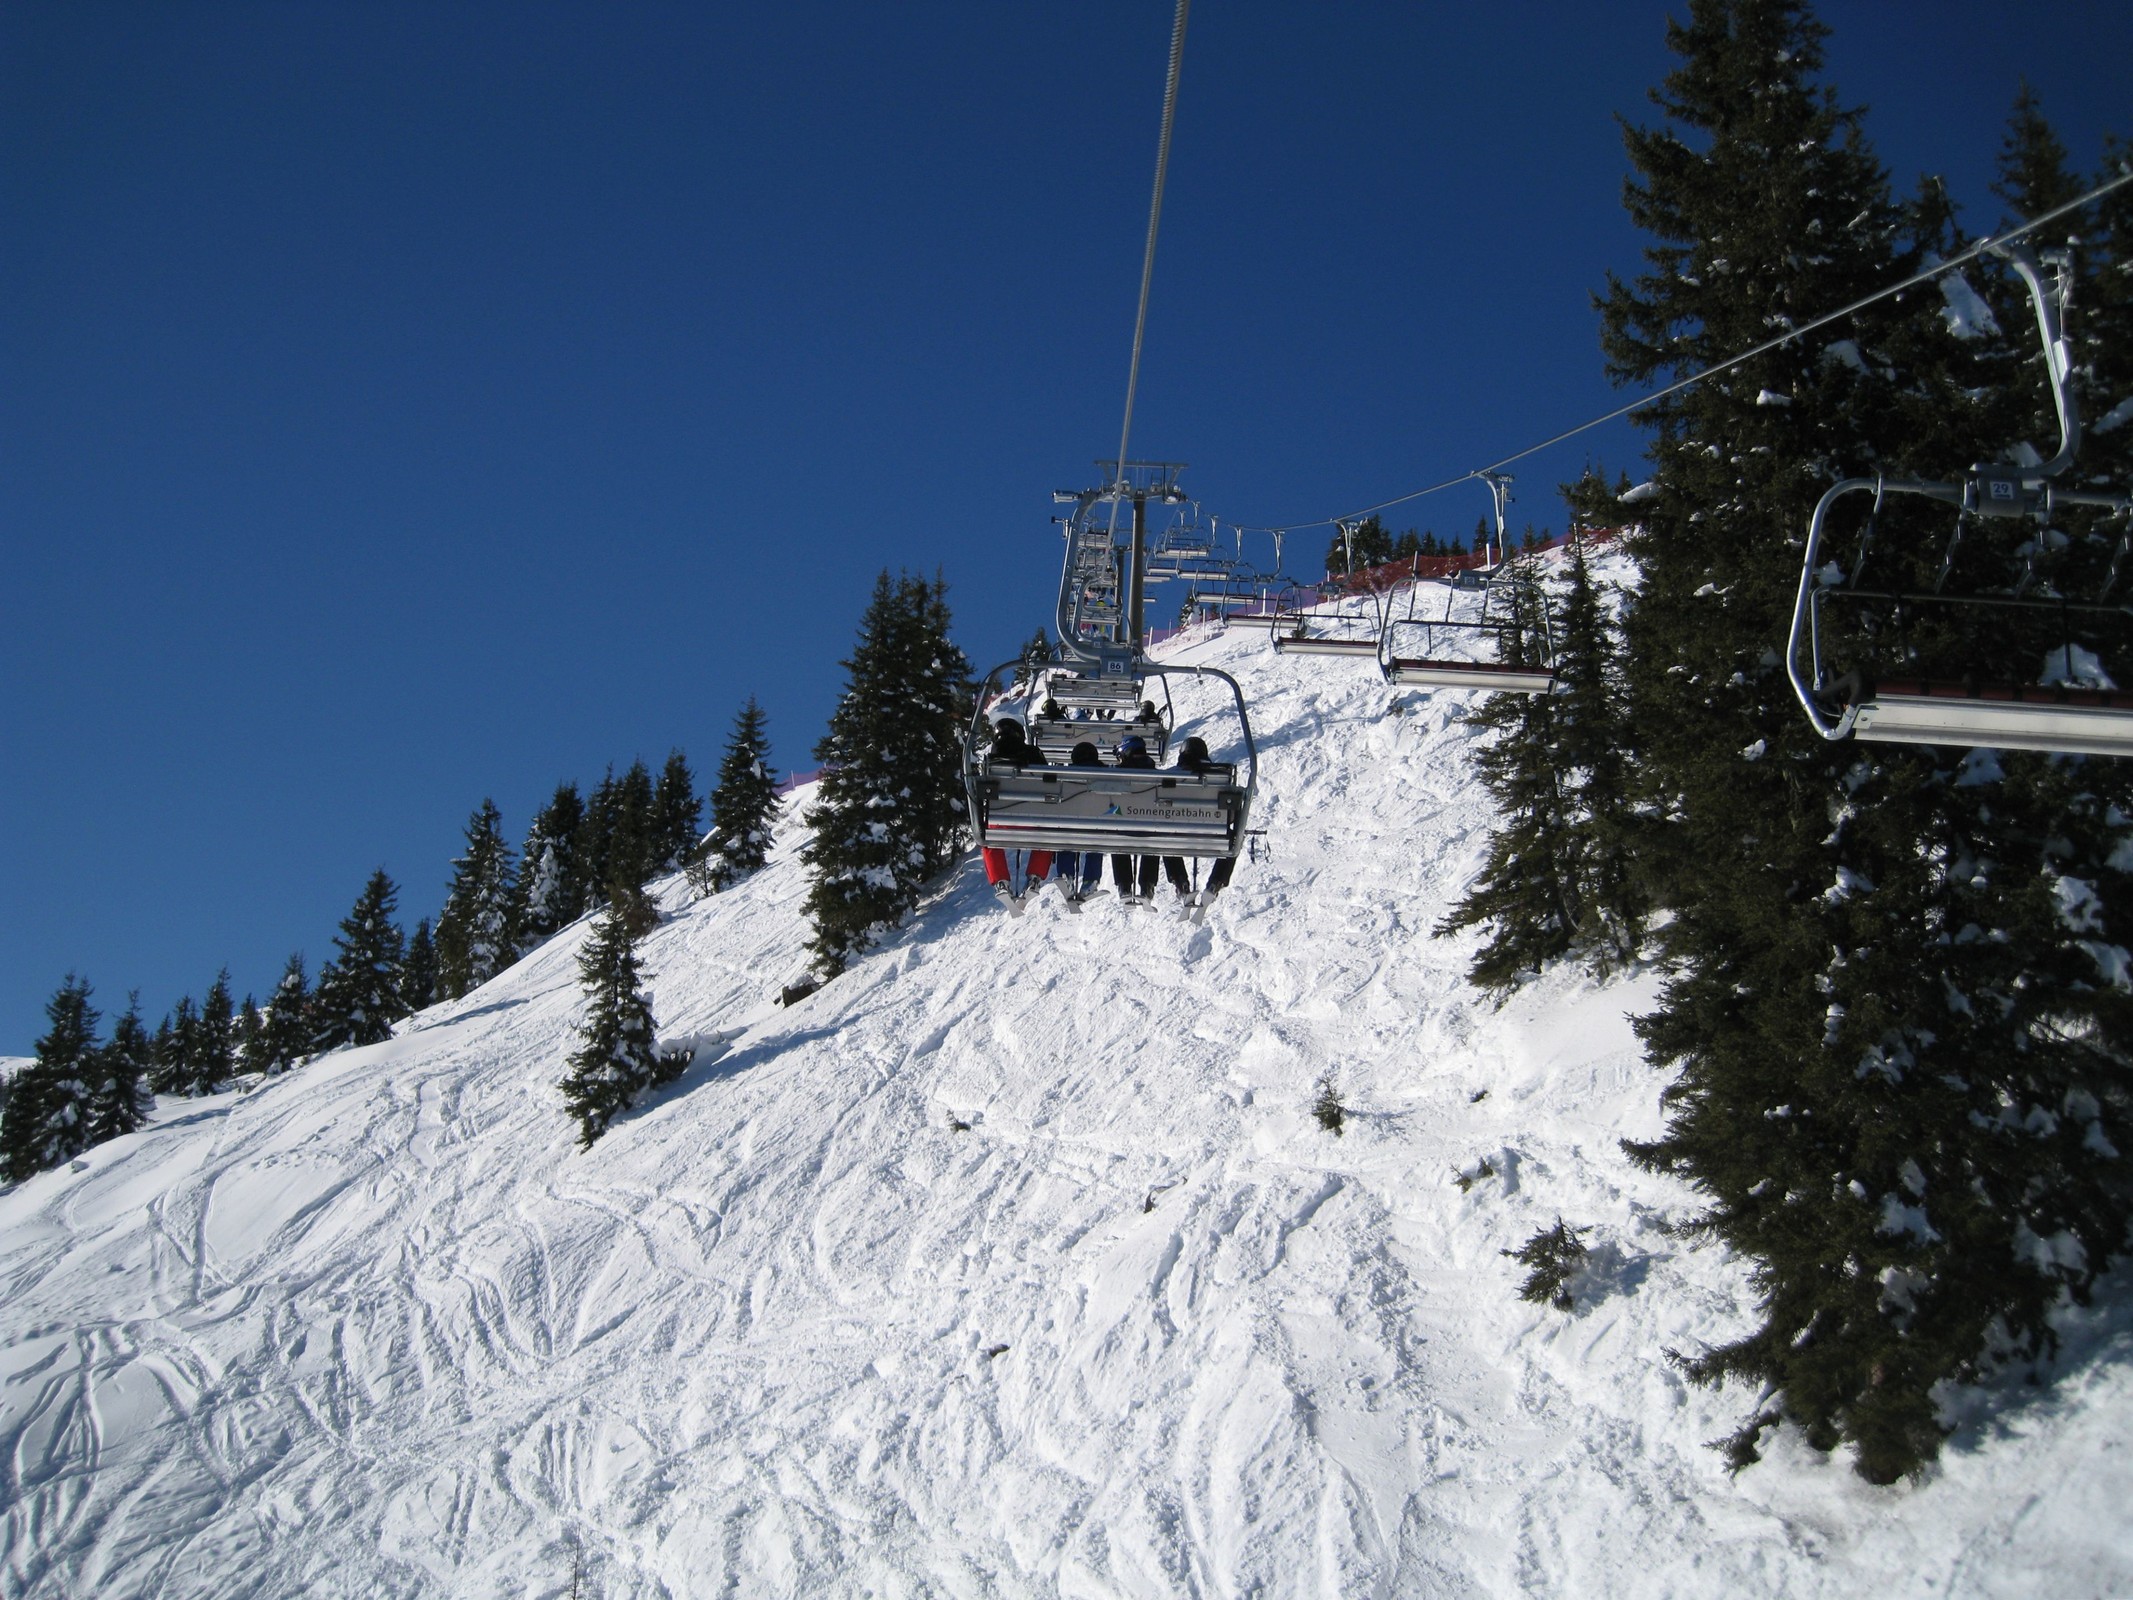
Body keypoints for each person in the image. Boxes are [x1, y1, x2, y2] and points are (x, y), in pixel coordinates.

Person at [981, 719, 1053, 903]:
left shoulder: (991, 758)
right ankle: (1035, 878)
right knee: (1047, 836)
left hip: (1000, 821)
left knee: (987, 839)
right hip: (1033, 821)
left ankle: (1001, 882)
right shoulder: (1033, 753)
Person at [1161, 735, 1238, 906]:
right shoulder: (1221, 776)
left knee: (1164, 835)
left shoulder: (1170, 776)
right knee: (1234, 839)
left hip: (1176, 834)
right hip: (1212, 833)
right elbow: (1232, 814)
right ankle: (1215, 882)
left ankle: (1180, 881)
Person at [1051, 742, 1107, 902]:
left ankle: (1066, 874)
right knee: (1097, 839)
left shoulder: (1065, 774)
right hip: (1098, 825)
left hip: (1070, 823)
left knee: (1065, 834)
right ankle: (1091, 880)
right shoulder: (1106, 774)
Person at [1109, 734, 1160, 901]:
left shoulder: (1115, 774)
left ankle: (1124, 884)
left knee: (1118, 833)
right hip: (1150, 826)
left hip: (1123, 828)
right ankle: (1147, 884)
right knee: (1155, 834)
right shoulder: (1156, 775)